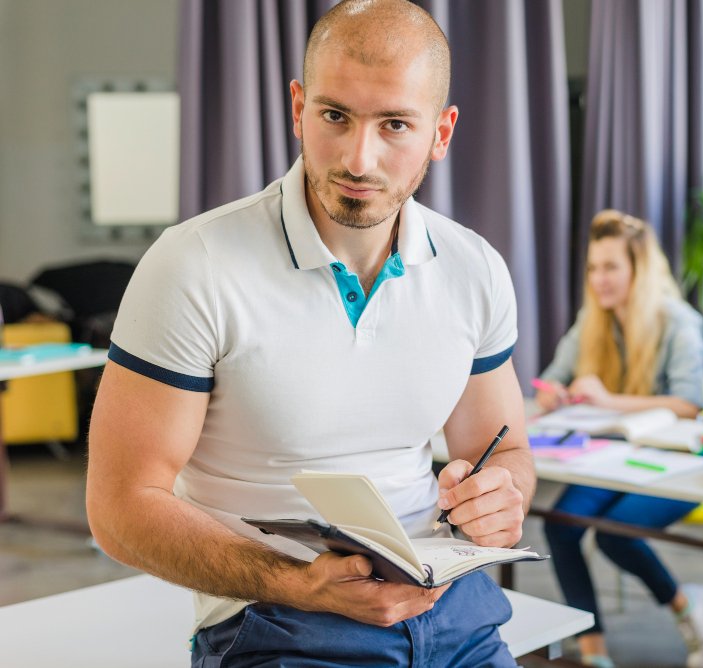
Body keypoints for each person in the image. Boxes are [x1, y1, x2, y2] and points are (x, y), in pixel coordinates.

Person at [85, 2, 535, 667]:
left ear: (441, 132)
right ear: (298, 107)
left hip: (455, 613)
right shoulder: (192, 266)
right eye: (335, 116)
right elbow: (119, 509)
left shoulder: (475, 269)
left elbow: (506, 451)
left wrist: (505, 494)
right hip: (280, 623)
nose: (360, 158)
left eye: (395, 126)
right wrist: (297, 583)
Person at [536, 210, 703, 668]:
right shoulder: (591, 319)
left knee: (615, 536)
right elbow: (551, 379)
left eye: (611, 267)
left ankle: (686, 604)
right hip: (613, 457)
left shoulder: (678, 320)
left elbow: (688, 404)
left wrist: (608, 400)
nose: (600, 279)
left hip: (677, 459)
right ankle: (592, 647)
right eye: (594, 268)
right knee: (560, 525)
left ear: (639, 270)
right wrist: (556, 393)